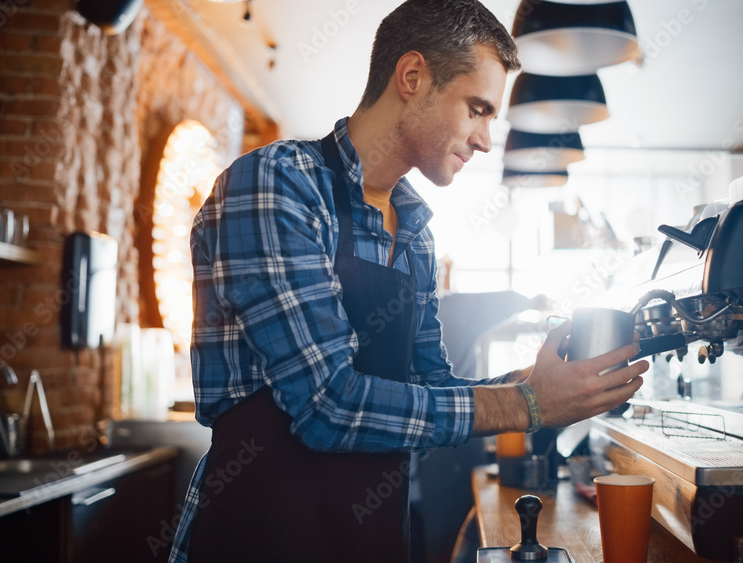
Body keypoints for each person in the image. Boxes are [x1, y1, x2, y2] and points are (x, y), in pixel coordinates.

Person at [168, 1, 648, 561]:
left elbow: (429, 390)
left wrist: (541, 383)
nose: (486, 140)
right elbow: (327, 406)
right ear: (413, 77)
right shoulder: (278, 185)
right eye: (477, 109)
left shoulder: (414, 226)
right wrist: (527, 405)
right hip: (259, 538)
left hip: (370, 540)